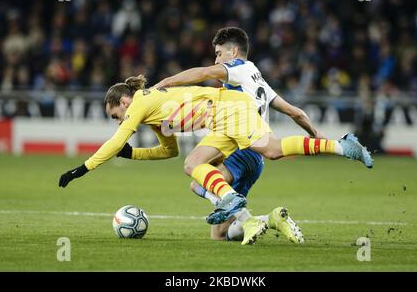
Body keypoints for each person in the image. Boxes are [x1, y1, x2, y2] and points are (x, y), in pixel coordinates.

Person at [58, 75, 373, 245]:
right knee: (192, 167)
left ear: (122, 100)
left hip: (230, 108)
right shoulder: (153, 114)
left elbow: (114, 141)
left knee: (272, 150)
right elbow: (168, 151)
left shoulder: (140, 101)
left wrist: (81, 169)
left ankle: (339, 145)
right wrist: (133, 154)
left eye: (117, 115)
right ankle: (245, 212)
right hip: (221, 121)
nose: (119, 121)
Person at [149, 27, 323, 242]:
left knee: (197, 181)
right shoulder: (257, 80)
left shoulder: (238, 70)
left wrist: (163, 83)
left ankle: (262, 218)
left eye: (219, 53)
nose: (216, 60)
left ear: (232, 52)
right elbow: (295, 112)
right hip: (255, 160)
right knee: (220, 234)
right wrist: (315, 134)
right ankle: (270, 220)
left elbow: (203, 73)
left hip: (238, 148)